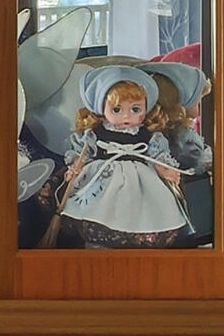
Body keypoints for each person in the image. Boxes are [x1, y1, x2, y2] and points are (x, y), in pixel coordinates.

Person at [53, 64, 195, 249]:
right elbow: (82, 154)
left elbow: (157, 155)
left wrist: (164, 169)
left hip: (140, 180)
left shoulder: (148, 135)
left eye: (135, 109)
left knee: (147, 209)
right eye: (117, 110)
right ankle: (96, 240)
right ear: (101, 108)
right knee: (96, 210)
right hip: (102, 177)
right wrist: (75, 168)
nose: (126, 116)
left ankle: (140, 239)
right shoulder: (95, 133)